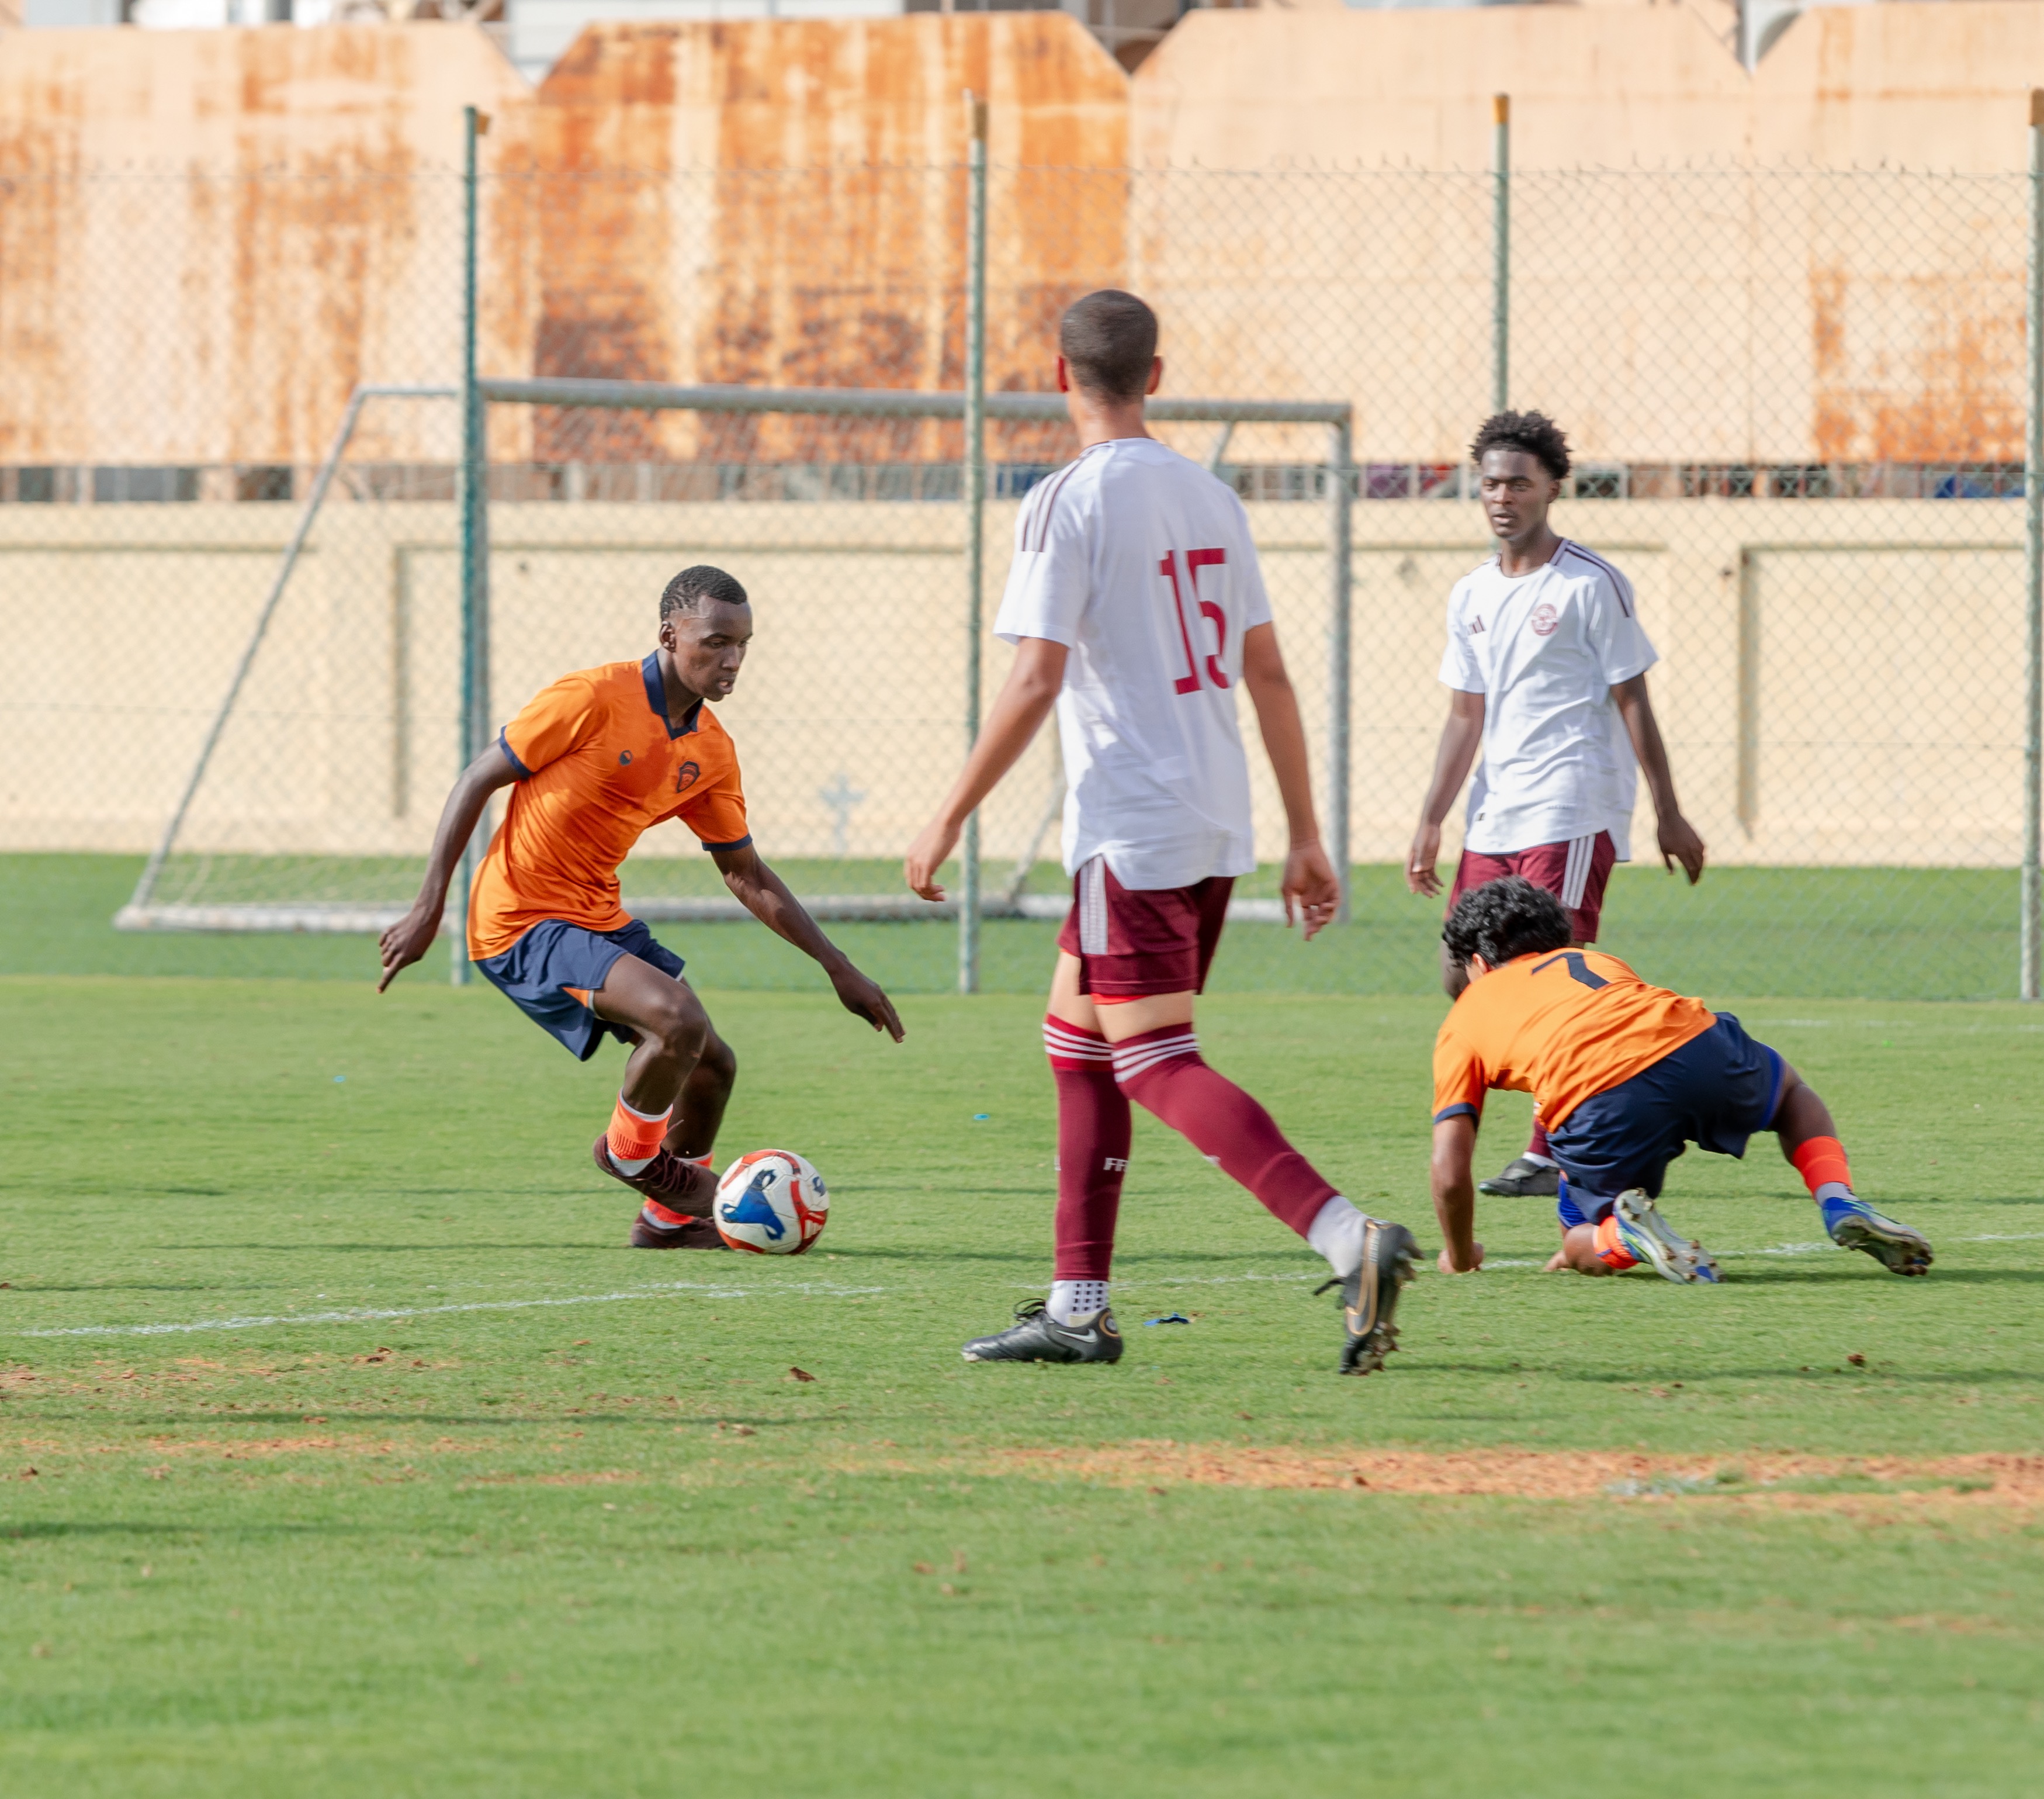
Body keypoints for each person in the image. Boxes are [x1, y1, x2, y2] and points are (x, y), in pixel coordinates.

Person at [903, 289, 1418, 1375]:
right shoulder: (1209, 498)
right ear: (1157, 374)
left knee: (1154, 1061)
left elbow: (1037, 674)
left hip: (1129, 819)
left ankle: (1345, 1234)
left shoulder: (1061, 502)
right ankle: (1076, 1307)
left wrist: (947, 812)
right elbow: (1266, 669)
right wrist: (1306, 834)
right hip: (1214, 811)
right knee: (1075, 1043)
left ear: (1057, 376)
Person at [378, 564, 903, 1248]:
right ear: (669, 634)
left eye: (743, 644)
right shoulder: (593, 697)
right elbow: (479, 778)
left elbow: (746, 873)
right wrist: (429, 908)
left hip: (597, 914)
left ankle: (668, 1221)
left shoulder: (711, 750)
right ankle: (631, 1155)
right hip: (520, 917)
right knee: (675, 1019)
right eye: (716, 642)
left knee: (713, 1065)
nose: (733, 660)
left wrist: (839, 967)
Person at [1406, 410, 1707, 1202]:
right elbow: (1463, 714)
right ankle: (1570, 1106)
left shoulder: (1588, 583)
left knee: (1553, 978)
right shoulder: (1468, 593)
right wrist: (1431, 816)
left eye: (1518, 482)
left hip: (1571, 807)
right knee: (1460, 971)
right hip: (1494, 812)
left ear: (1551, 488)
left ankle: (1551, 1147)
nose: (1501, 497)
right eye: (1490, 483)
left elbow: (1632, 699)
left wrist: (1666, 811)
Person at [1429, 877, 1932, 1283]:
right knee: (1790, 1093)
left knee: (1581, 1234)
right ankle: (1838, 1198)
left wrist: (1461, 1253)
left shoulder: (1465, 1017)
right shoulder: (1591, 960)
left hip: (1599, 1100)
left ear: (1478, 964)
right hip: (1697, 1046)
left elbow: (1450, 1171)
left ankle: (1619, 1239)